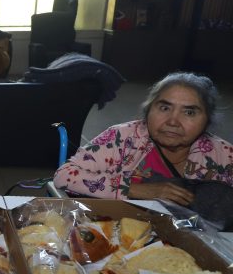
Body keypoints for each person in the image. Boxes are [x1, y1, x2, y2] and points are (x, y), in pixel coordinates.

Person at [54, 72, 233, 205]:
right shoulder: (122, 139)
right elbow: (65, 176)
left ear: (207, 120)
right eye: (164, 108)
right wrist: (134, 189)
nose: (172, 121)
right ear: (149, 110)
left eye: (189, 112)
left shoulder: (223, 155)